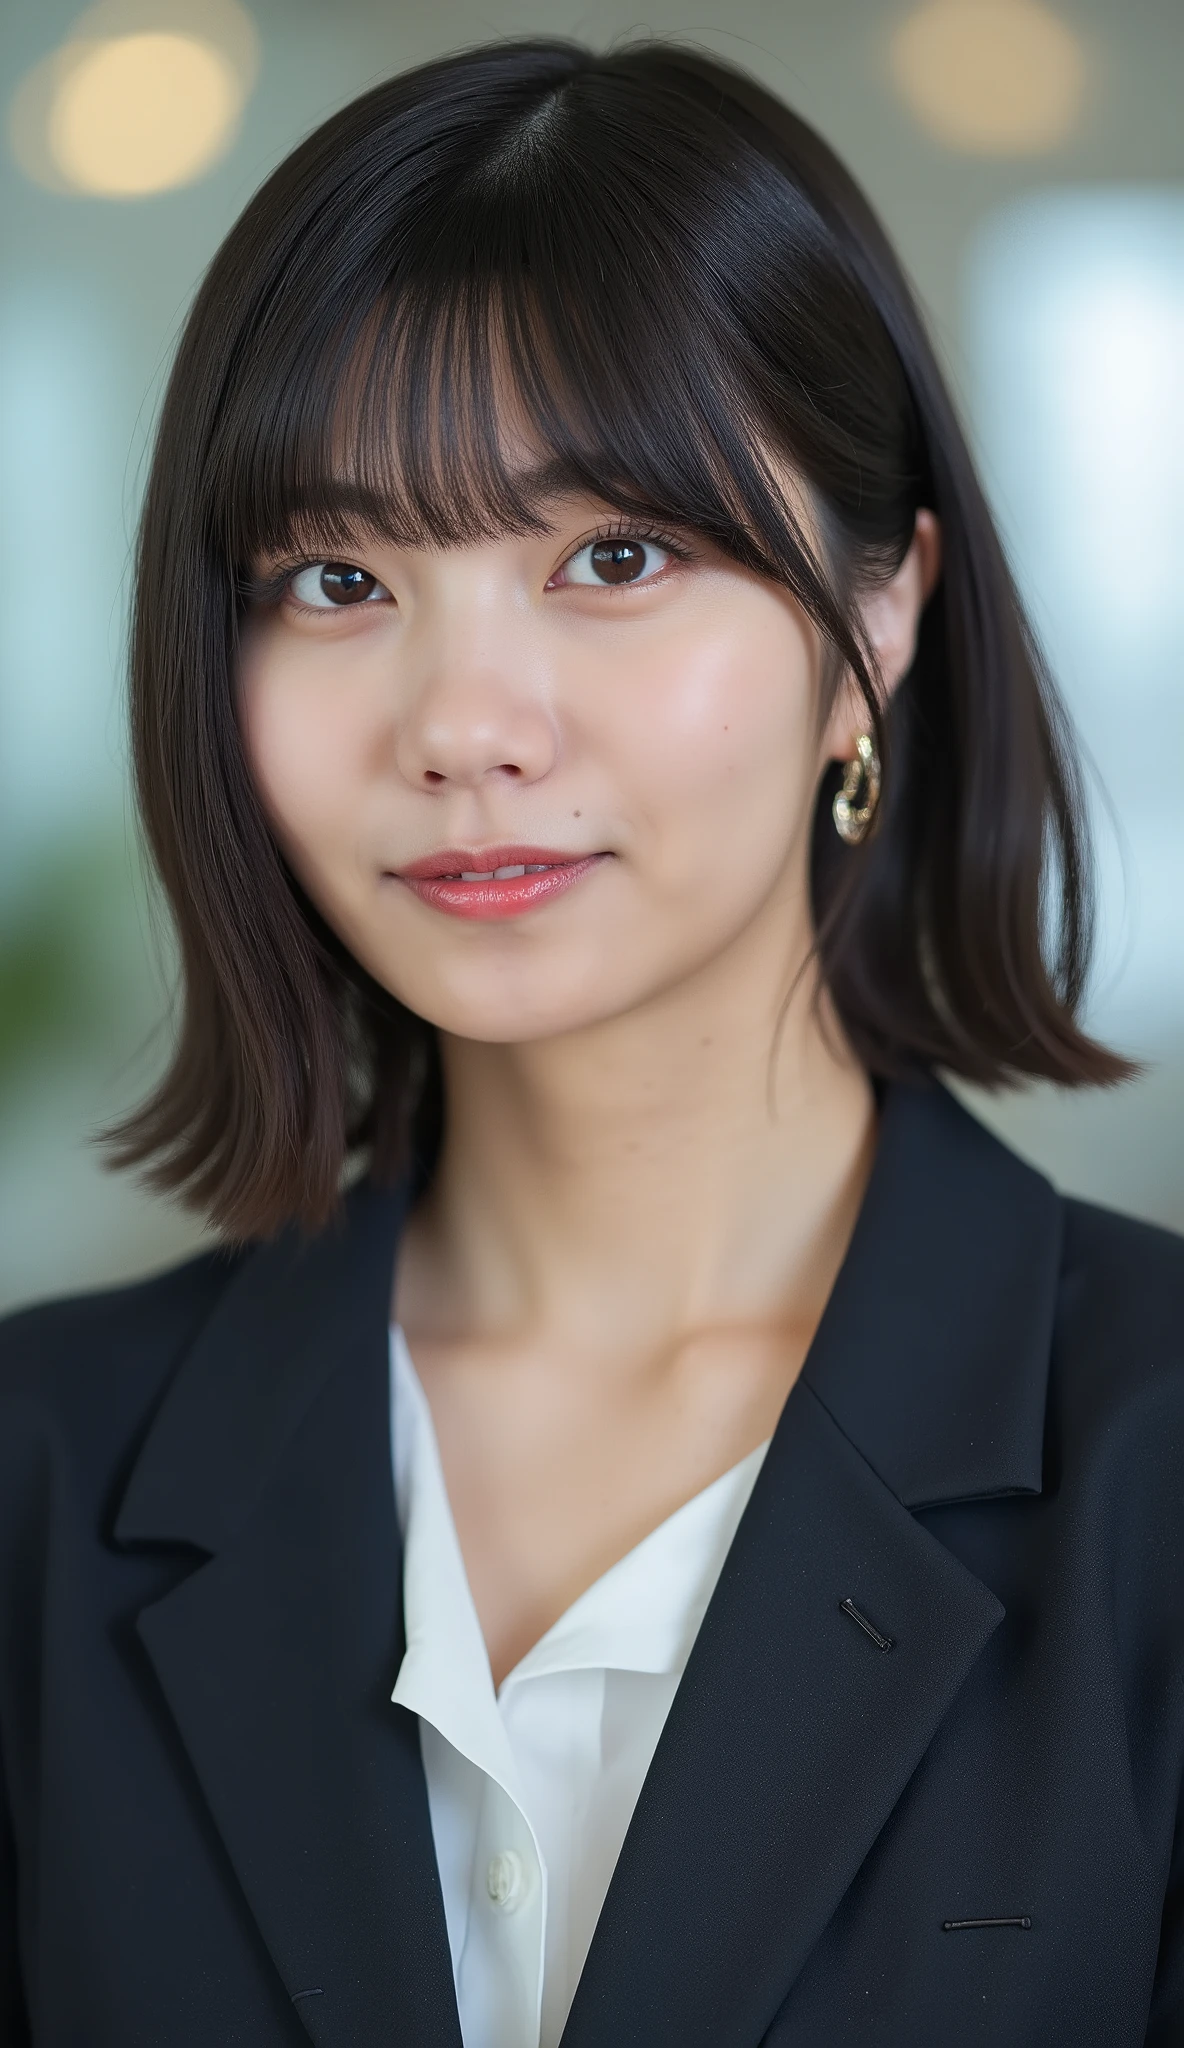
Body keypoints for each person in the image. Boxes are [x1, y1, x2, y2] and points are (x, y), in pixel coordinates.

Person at [0, 34, 1181, 2048]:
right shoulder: (38, 1469)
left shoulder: (1148, 1457)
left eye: (613, 558)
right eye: (338, 578)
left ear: (876, 618)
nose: (464, 721)